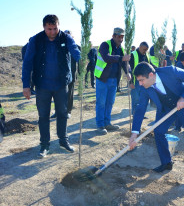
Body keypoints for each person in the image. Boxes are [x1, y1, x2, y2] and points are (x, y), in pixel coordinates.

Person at [129, 62, 184, 186]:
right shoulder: (144, 87)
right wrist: (134, 133)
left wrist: (183, 97)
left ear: (151, 75)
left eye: (141, 80)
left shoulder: (171, 71)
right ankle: (166, 162)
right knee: (158, 131)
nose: (140, 84)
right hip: (167, 108)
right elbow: (141, 108)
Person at [22, 14, 81, 158]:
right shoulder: (36, 40)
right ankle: (44, 145)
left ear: (58, 26)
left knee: (62, 113)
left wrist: (82, 59)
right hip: (43, 85)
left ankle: (63, 141)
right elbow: (27, 63)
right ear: (44, 27)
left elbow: (75, 51)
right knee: (43, 116)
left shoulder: (65, 38)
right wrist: (26, 85)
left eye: (55, 28)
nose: (53, 32)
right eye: (49, 29)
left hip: (61, 85)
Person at [94, 27, 131, 134]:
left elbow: (124, 63)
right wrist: (121, 58)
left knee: (110, 102)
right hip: (102, 79)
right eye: (118, 36)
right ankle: (100, 125)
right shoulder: (105, 45)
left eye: (122, 37)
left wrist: (128, 72)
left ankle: (107, 123)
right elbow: (106, 58)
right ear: (113, 36)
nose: (121, 39)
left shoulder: (121, 48)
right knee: (101, 103)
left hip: (114, 80)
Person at [50, 30, 80, 119]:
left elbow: (80, 62)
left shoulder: (77, 47)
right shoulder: (58, 45)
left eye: (69, 36)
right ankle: (57, 111)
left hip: (71, 74)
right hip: (59, 74)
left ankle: (68, 111)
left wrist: (79, 73)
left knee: (69, 93)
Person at [129, 41, 150, 115]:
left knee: (142, 99)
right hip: (135, 81)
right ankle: (135, 115)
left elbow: (150, 66)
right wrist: (130, 82)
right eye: (144, 49)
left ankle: (140, 114)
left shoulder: (146, 55)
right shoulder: (133, 55)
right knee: (136, 99)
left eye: (146, 50)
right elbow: (130, 70)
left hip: (144, 81)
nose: (145, 51)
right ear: (140, 47)